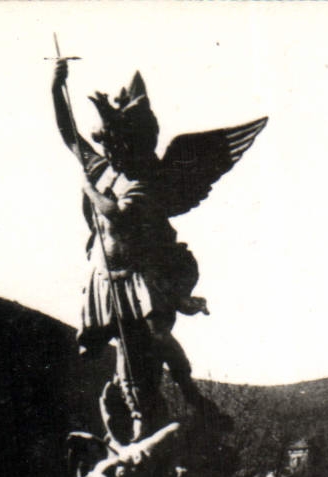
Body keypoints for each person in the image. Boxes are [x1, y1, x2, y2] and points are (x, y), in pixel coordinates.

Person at [52, 59, 266, 439]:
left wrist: (87, 188)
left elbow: (115, 214)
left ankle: (190, 394)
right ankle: (137, 418)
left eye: (117, 143)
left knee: (154, 336)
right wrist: (56, 88)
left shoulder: (144, 182)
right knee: (123, 353)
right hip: (105, 279)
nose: (110, 149)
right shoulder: (104, 171)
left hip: (138, 278)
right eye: (108, 142)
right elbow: (70, 136)